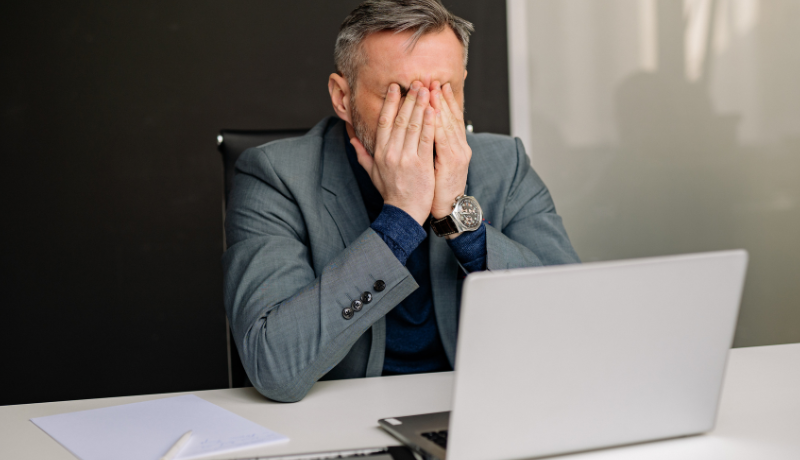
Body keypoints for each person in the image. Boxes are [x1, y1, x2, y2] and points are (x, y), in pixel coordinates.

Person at [222, 0, 579, 403]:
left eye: (445, 92)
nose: (425, 115)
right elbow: (274, 369)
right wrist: (402, 218)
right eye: (402, 94)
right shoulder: (275, 175)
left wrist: (461, 223)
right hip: (343, 418)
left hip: (483, 409)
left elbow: (578, 324)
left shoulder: (505, 164)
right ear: (343, 97)